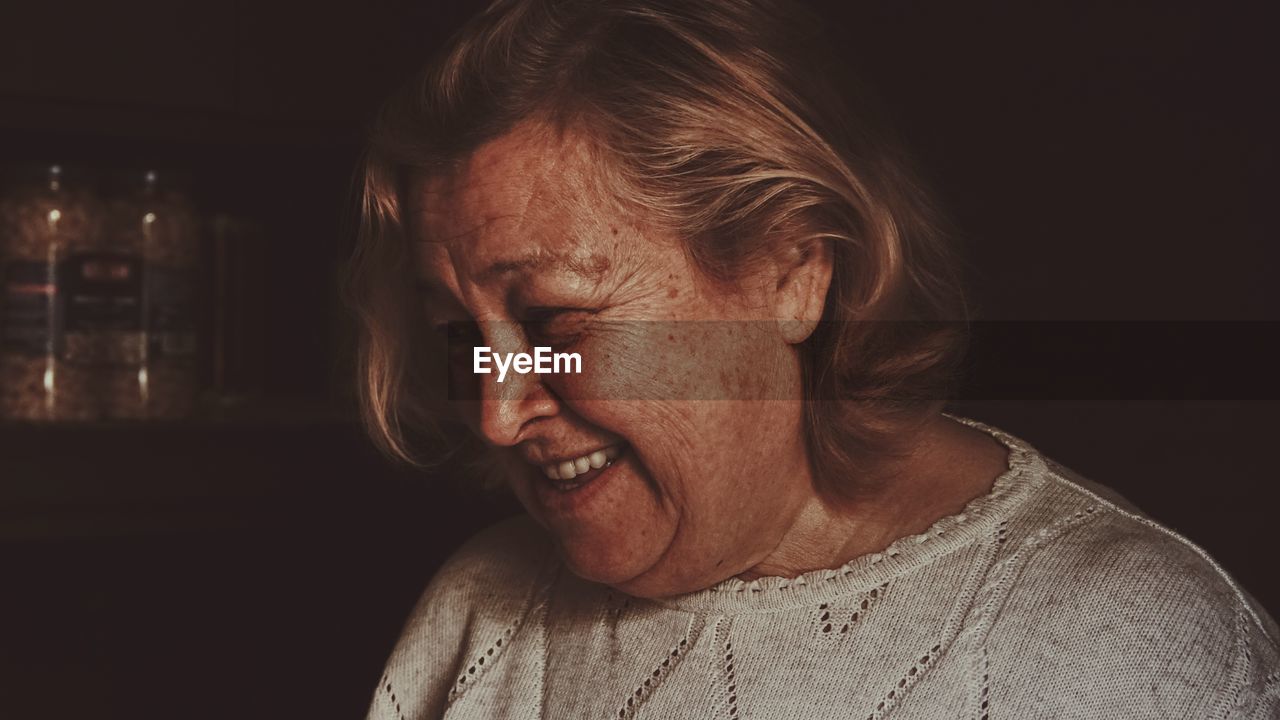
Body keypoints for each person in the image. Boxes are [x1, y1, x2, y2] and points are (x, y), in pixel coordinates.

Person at [348, 1, 1279, 717]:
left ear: (794, 273)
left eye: (555, 319)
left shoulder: (1121, 648)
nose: (496, 412)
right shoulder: (479, 609)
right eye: (465, 338)